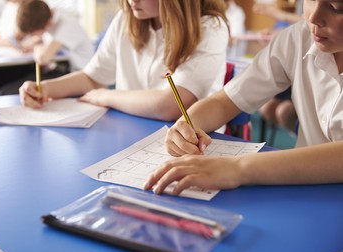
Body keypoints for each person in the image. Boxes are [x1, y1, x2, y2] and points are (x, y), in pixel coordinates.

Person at [144, 0, 343, 195]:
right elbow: (224, 101)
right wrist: (186, 126)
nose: (314, 17)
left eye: (336, 8)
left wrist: (239, 168)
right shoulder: (297, 39)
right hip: (300, 190)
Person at [19, 0, 230, 121]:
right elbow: (93, 78)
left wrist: (107, 96)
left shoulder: (210, 27)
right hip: (131, 130)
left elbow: (171, 105)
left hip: (187, 142)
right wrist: (44, 88)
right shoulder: (126, 20)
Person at [0, 0, 95, 95]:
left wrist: (37, 44)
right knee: (7, 87)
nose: (31, 36)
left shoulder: (66, 24)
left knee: (9, 92)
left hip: (79, 75)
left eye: (32, 33)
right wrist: (36, 41)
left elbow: (43, 58)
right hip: (61, 70)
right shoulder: (47, 19)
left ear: (48, 24)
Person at [253, 0, 304, 133]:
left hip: (302, 70)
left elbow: (308, 24)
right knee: (267, 107)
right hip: (293, 69)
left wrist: (281, 15)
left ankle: (307, 141)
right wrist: (274, 36)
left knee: (284, 111)